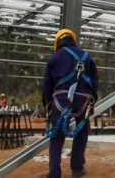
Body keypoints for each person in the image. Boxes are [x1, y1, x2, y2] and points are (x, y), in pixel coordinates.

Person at [42, 29, 98, 178]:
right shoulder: (86, 56)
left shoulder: (54, 57)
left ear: (58, 42)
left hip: (61, 99)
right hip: (83, 99)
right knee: (82, 131)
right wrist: (92, 100)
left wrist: (47, 103)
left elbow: (47, 83)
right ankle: (77, 168)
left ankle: (54, 173)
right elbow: (94, 81)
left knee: (56, 136)